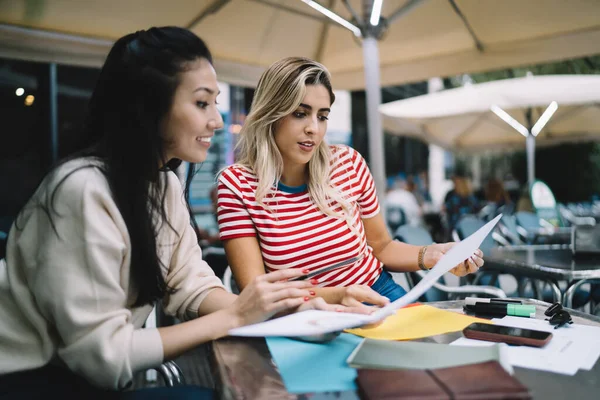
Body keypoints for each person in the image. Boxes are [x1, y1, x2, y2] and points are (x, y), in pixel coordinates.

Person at [0, 28, 355, 399]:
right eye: (202, 104)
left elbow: (191, 284)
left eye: (215, 103)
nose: (217, 121)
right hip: (26, 381)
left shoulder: (161, 186)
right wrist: (236, 316)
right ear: (149, 107)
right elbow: (103, 355)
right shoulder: (81, 189)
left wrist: (284, 312)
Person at [216, 57, 484, 310]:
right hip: (303, 317)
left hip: (379, 297)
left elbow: (382, 247)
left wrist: (434, 254)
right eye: (300, 113)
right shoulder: (236, 185)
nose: (314, 128)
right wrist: (338, 296)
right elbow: (257, 293)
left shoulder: (348, 163)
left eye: (322, 116)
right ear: (271, 114)